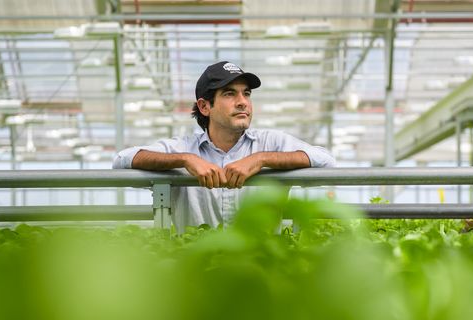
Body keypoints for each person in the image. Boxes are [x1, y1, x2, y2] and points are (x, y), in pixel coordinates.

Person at [112, 61, 335, 231]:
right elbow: (122, 160)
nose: (243, 102)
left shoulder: (271, 143)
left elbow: (326, 162)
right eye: (229, 94)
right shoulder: (184, 148)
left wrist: (261, 159)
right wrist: (185, 160)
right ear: (204, 106)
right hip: (197, 274)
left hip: (261, 274)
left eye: (246, 93)